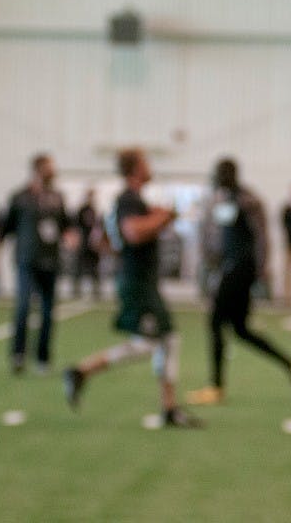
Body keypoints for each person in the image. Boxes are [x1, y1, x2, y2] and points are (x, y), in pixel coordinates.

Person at [63, 148, 201, 428]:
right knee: (151, 343)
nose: (150, 167)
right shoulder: (128, 198)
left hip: (142, 282)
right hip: (137, 284)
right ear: (136, 169)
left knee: (166, 340)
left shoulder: (135, 200)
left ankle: (169, 407)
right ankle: (81, 371)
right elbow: (133, 232)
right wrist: (164, 217)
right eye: (146, 162)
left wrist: (161, 216)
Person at [186, 157, 291, 405]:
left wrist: (261, 267)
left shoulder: (246, 201)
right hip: (233, 268)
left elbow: (260, 235)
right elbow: (221, 236)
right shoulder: (227, 200)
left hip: (240, 269)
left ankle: (216, 386)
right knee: (241, 330)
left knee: (215, 322)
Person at [0, 153, 72, 375]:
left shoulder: (57, 197)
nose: (54, 171)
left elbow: (66, 226)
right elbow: (5, 228)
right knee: (23, 307)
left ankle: (43, 357)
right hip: (27, 260)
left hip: (51, 261)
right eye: (50, 167)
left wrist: (71, 238)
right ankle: (18, 354)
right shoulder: (20, 197)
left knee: (48, 312)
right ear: (39, 169)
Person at [72, 188, 103, 301]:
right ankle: (76, 291)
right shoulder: (82, 210)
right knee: (79, 268)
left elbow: (98, 227)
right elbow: (76, 226)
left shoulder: (95, 210)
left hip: (93, 244)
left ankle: (97, 292)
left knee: (95, 269)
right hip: (83, 243)